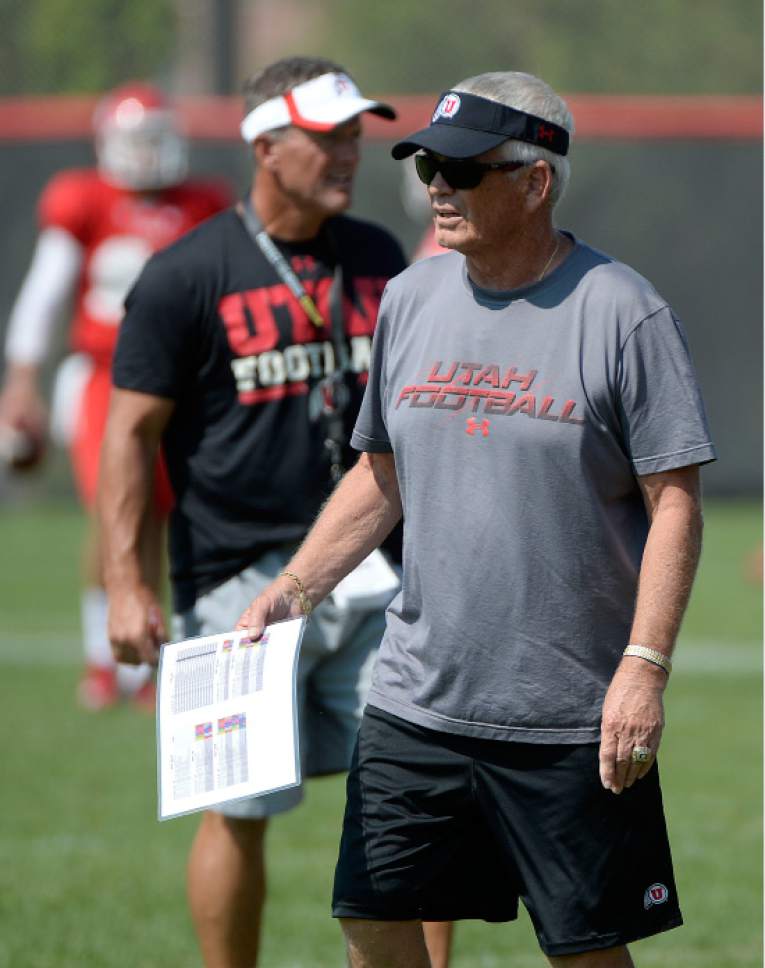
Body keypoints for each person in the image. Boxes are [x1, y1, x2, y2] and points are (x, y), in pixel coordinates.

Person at [236, 70, 717, 968]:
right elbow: (382, 476)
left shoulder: (624, 312)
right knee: (371, 922)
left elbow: (675, 506)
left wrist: (642, 670)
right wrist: (298, 584)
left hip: (568, 714)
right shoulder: (412, 298)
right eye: (427, 168)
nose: (437, 189)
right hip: (416, 698)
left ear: (535, 182)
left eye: (463, 171)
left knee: (585, 949)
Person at [99, 56, 453, 968]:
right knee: (239, 810)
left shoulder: (376, 255)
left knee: (421, 793)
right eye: (324, 135)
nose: (347, 151)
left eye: (354, 134)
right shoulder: (184, 273)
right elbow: (129, 434)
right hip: (232, 579)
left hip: (378, 571)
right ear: (264, 143)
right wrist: (126, 581)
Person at [0, 82, 230, 710]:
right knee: (114, 512)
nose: (149, 154)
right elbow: (46, 294)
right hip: (108, 375)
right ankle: (107, 658)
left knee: (163, 515)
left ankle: (150, 662)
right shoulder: (84, 199)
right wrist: (21, 381)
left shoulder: (202, 203)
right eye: (137, 140)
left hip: (186, 383)